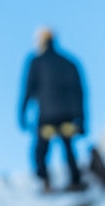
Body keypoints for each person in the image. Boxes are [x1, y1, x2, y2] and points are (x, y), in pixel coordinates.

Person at [19, 28, 87, 193]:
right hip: (67, 116)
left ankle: (45, 182)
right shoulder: (69, 62)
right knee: (68, 146)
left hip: (47, 116)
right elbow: (79, 92)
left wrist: (22, 113)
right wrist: (82, 119)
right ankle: (75, 181)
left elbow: (28, 89)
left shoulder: (36, 62)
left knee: (41, 149)